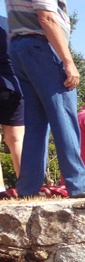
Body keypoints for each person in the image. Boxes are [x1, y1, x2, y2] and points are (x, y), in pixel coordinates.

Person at [5, 0, 85, 199]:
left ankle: (28, 188)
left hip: (19, 47)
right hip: (41, 46)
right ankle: (78, 184)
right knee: (64, 117)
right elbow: (47, 18)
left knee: (35, 123)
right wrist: (68, 62)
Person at [0, 15, 23, 191]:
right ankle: (27, 186)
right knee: (16, 139)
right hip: (14, 85)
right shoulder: (10, 23)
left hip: (9, 83)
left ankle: (1, 189)